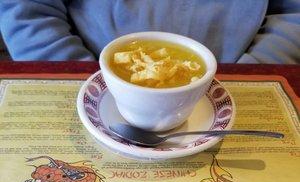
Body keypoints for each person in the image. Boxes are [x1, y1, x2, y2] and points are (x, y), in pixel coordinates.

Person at [0, 0, 299, 63]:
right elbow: (29, 11)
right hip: (87, 81)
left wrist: (256, 73)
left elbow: (293, 13)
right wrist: (82, 79)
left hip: (241, 83)